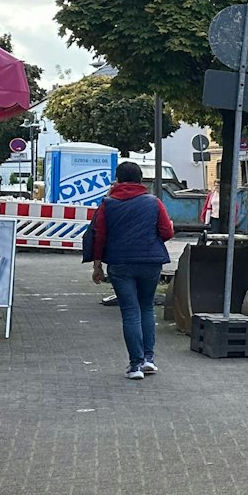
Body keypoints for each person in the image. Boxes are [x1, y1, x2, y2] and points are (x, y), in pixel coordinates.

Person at [89, 161, 175, 380]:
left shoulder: (107, 204)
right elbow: (167, 232)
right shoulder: (153, 202)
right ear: (140, 180)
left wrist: (97, 265)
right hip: (150, 262)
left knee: (130, 312)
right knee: (146, 308)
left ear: (117, 179)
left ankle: (135, 365)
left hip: (120, 264)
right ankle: (149, 359)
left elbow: (99, 236)